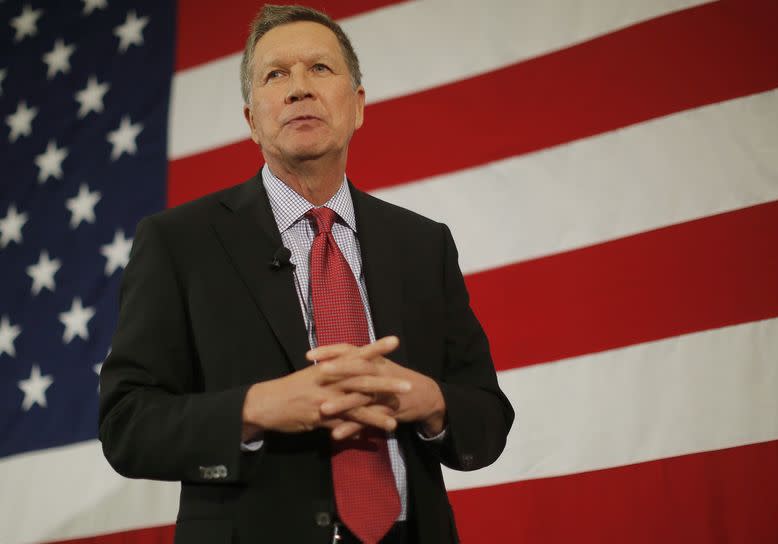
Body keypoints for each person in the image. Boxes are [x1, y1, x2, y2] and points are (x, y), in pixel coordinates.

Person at [99, 4, 513, 543]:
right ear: (251, 120)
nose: (299, 88)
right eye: (276, 75)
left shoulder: (423, 244)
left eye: (320, 68)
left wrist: (430, 400)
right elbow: (127, 424)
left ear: (357, 106)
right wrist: (256, 408)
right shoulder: (179, 242)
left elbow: (487, 415)